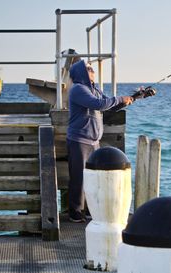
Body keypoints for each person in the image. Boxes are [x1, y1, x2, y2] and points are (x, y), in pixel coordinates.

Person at [67, 59, 133, 222]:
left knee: (93, 178)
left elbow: (108, 105)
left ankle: (90, 210)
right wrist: (119, 98)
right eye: (89, 69)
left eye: (92, 69)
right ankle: (75, 212)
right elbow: (98, 104)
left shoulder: (94, 89)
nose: (93, 71)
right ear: (81, 72)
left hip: (94, 140)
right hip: (80, 140)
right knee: (79, 177)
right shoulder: (78, 89)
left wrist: (132, 98)